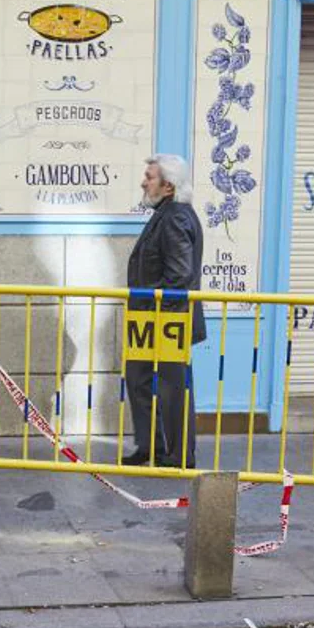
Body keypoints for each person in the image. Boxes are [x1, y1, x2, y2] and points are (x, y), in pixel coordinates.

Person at [123, 154, 206, 468]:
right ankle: (151, 446)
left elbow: (179, 275)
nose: (144, 181)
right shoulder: (168, 213)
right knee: (139, 381)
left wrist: (162, 322)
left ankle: (178, 455)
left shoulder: (175, 217)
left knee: (173, 389)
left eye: (150, 176)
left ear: (168, 186)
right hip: (151, 321)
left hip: (166, 320)